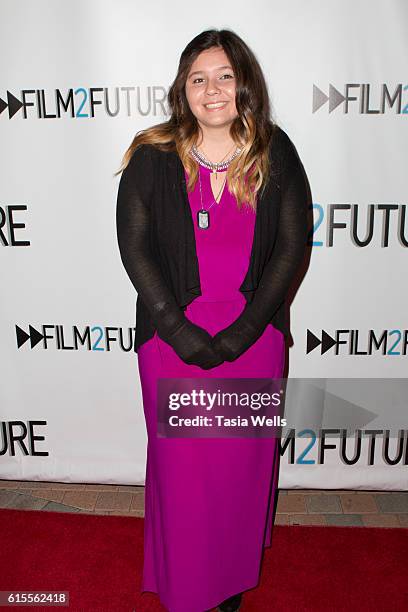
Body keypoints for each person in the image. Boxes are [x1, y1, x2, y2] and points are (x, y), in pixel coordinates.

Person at [116, 28, 310, 612]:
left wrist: (245, 332)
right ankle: (187, 587)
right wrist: (178, 332)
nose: (212, 88)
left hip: (253, 339)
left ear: (244, 83)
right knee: (185, 478)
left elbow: (293, 245)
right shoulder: (151, 154)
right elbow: (135, 248)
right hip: (171, 341)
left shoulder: (275, 150)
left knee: (237, 473)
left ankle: (227, 586)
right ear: (183, 89)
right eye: (198, 78)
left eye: (224, 75)